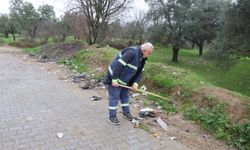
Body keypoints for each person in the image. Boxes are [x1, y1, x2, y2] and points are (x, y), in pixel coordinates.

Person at [104, 42, 154, 126]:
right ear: (144, 50)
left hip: (126, 81)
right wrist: (114, 79)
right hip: (115, 78)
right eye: (148, 53)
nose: (148, 55)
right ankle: (112, 116)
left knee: (125, 96)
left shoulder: (142, 59)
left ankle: (126, 113)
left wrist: (135, 83)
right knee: (114, 97)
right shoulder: (131, 52)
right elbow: (118, 65)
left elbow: (140, 72)